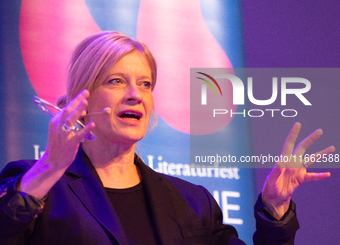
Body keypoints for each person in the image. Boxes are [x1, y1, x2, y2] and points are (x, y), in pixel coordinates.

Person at [0, 31, 335, 245]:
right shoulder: (36, 185)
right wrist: (50, 167)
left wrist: (275, 210)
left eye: (145, 84)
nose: (135, 95)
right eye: (116, 81)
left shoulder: (192, 202)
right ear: (81, 99)